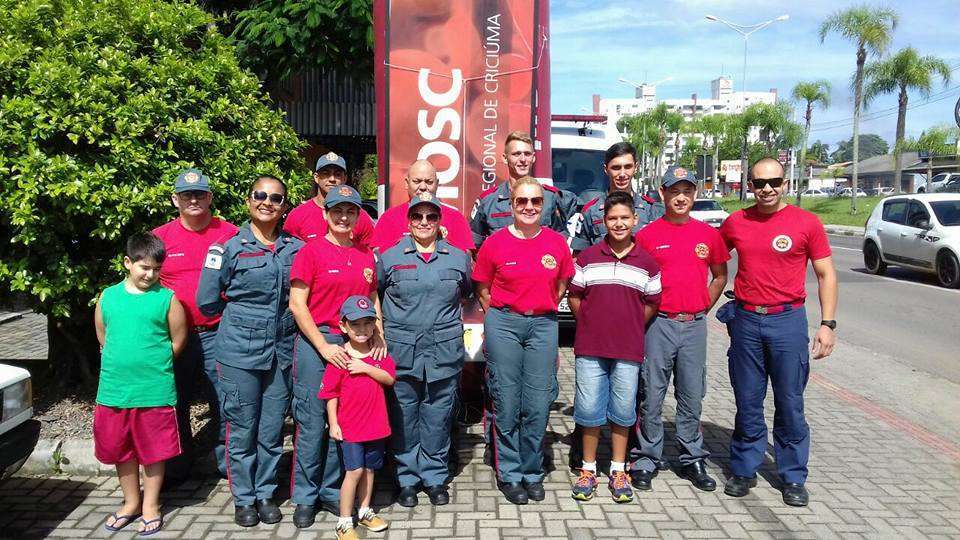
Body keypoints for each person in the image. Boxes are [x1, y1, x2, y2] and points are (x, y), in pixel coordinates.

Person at [719, 157, 837, 507]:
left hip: (787, 321)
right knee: (748, 400)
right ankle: (744, 468)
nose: (766, 189)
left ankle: (793, 475)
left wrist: (827, 324)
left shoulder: (806, 223)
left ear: (785, 183)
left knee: (789, 402)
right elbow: (709, 256)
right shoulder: (736, 222)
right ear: (749, 186)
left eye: (774, 182)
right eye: (759, 183)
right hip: (746, 322)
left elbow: (826, 274)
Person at [196, 176, 302, 527]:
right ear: (248, 201)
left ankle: (265, 492)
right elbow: (207, 303)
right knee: (241, 428)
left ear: (284, 205)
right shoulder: (227, 249)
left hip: (281, 352)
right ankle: (243, 498)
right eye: (260, 195)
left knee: (272, 429)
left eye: (275, 198)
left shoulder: (295, 248)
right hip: (239, 351)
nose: (267, 202)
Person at [288, 185, 385, 528]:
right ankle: (304, 495)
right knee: (313, 422)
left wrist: (379, 336)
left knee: (342, 426)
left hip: (357, 343)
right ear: (326, 214)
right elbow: (297, 305)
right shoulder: (310, 252)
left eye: (351, 211)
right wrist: (324, 346)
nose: (344, 217)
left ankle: (332, 491)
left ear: (359, 216)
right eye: (337, 211)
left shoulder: (365, 255)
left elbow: (373, 299)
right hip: (321, 342)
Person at [473, 176, 575, 505]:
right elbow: (483, 289)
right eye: (522, 202)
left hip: (543, 324)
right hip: (504, 322)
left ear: (543, 206)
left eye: (535, 202)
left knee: (538, 402)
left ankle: (532, 470)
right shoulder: (495, 243)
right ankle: (511, 473)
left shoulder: (557, 243)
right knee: (506, 400)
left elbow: (560, 284)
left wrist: (535, 309)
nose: (529, 207)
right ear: (511, 205)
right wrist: (506, 315)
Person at [631, 166, 729, 493]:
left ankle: (691, 457)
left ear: (695, 195)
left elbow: (719, 276)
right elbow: (637, 281)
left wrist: (703, 306)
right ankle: (646, 457)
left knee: (691, 393)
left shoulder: (707, 235)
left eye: (687, 191)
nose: (681, 197)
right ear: (663, 193)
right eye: (675, 191)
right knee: (652, 393)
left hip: (693, 326)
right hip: (659, 324)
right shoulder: (646, 236)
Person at [566, 191, 662, 504]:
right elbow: (575, 297)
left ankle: (619, 469)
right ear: (604, 221)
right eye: (612, 218)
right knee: (590, 410)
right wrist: (592, 324)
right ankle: (589, 469)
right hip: (591, 348)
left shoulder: (647, 264)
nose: (618, 223)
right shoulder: (588, 257)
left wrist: (629, 325)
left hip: (628, 350)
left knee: (622, 412)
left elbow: (651, 305)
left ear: (635, 220)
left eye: (624, 218)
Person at [378, 192, 472, 507]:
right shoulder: (389, 258)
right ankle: (406, 479)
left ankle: (433, 477)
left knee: (437, 416)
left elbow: (467, 292)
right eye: (417, 216)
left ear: (439, 221)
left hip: (444, 353)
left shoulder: (458, 257)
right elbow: (376, 293)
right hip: (402, 353)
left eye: (431, 217)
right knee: (404, 417)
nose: (424, 222)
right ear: (408, 221)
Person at [94, 232, 187, 536]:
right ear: (127, 263)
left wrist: (153, 364)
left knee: (153, 452)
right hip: (114, 391)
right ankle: (130, 502)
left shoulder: (167, 299)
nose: (150, 274)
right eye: (144, 267)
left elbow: (177, 339)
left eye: (156, 269)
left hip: (154, 390)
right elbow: (103, 337)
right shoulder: (108, 297)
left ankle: (151, 505)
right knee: (121, 451)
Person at [152, 168, 238, 481]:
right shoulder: (160, 237)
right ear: (175, 199)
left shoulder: (230, 234)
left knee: (225, 400)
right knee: (175, 400)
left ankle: (225, 464)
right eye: (187, 194)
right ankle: (177, 467)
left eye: (200, 194)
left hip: (219, 332)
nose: (193, 199)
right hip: (175, 338)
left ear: (210, 197)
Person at [318, 296, 397, 540]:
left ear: (374, 325)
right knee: (354, 471)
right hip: (351, 427)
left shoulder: (378, 353)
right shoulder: (340, 357)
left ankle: (364, 511)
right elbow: (330, 393)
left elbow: (390, 379)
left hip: (376, 426)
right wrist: (334, 423)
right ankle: (344, 521)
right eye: (356, 325)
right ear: (343, 327)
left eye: (367, 323)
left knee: (370, 471)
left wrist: (367, 368)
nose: (362, 330)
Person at [470, 130, 572, 247]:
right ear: (505, 158)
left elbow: (560, 241)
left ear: (533, 158)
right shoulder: (488, 201)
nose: (523, 159)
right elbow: (474, 243)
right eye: (516, 154)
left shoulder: (550, 198)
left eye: (527, 154)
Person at [570, 142, 664, 253]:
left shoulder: (651, 210)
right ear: (606, 169)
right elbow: (579, 256)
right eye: (616, 168)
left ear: (636, 168)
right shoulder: (590, 211)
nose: (622, 174)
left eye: (628, 167)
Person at [370, 159, 475, 253]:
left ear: (437, 184)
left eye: (429, 182)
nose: (423, 187)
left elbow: (465, 261)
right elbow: (379, 261)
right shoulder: (389, 218)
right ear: (407, 183)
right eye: (417, 181)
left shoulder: (456, 218)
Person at [284, 152, 375, 246]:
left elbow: (370, 251)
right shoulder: (298, 215)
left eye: (338, 174)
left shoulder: (358, 215)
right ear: (316, 177)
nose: (332, 179)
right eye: (326, 173)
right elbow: (287, 253)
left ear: (344, 178)